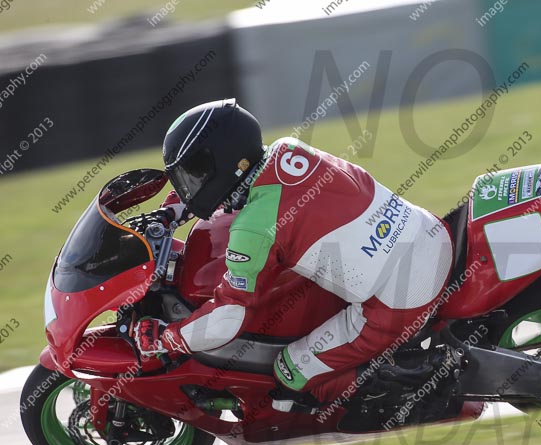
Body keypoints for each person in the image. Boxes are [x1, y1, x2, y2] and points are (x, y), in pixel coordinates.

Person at [133, 99, 453, 410]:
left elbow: (227, 320)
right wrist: (172, 211)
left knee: (289, 373)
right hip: (428, 231)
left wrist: (165, 338)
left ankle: (424, 378)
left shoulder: (253, 227)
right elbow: (239, 189)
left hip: (400, 299)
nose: (190, 185)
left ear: (223, 158)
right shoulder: (287, 150)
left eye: (195, 173)